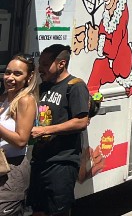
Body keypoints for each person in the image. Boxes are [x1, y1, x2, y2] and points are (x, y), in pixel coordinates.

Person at [28, 45, 91, 216]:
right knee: (37, 209)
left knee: (58, 211)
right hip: (40, 159)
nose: (40, 68)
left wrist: (45, 130)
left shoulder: (75, 86)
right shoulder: (43, 87)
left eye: (45, 64)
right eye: (39, 64)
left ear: (61, 64)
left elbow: (81, 121)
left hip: (62, 162)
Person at [0, 54, 39, 214]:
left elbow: (22, 140)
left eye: (17, 73)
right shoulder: (5, 99)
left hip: (12, 170)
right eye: (8, 72)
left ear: (29, 77)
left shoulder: (25, 100)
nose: (10, 77)